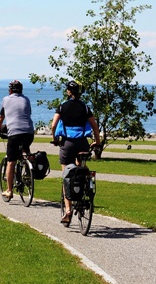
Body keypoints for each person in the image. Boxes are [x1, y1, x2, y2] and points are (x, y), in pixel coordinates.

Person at [50, 80, 101, 224]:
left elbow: (54, 125)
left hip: (67, 143)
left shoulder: (62, 106)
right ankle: (84, 191)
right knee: (81, 169)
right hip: (82, 143)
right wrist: (97, 142)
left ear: (68, 91)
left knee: (67, 175)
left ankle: (68, 210)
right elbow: (95, 127)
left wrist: (55, 139)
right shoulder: (85, 107)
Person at [0, 80, 35, 199]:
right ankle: (29, 167)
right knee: (25, 149)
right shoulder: (26, 99)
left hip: (14, 133)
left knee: (11, 161)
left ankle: (9, 190)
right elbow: (27, 114)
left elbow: (2, 117)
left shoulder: (6, 99)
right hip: (29, 132)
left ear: (10, 90)